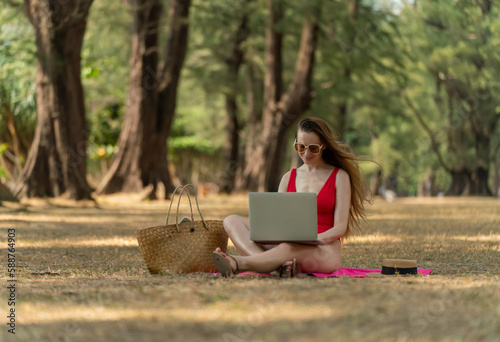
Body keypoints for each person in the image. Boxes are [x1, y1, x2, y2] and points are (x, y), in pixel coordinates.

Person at [212, 117, 370, 277]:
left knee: (287, 248)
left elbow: (340, 228)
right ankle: (276, 267)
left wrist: (311, 239)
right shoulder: (289, 177)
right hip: (286, 244)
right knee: (232, 220)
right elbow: (279, 224)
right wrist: (272, 234)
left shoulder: (339, 176)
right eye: (301, 147)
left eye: (313, 148)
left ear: (325, 146)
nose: (306, 153)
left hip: (324, 249)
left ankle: (238, 262)